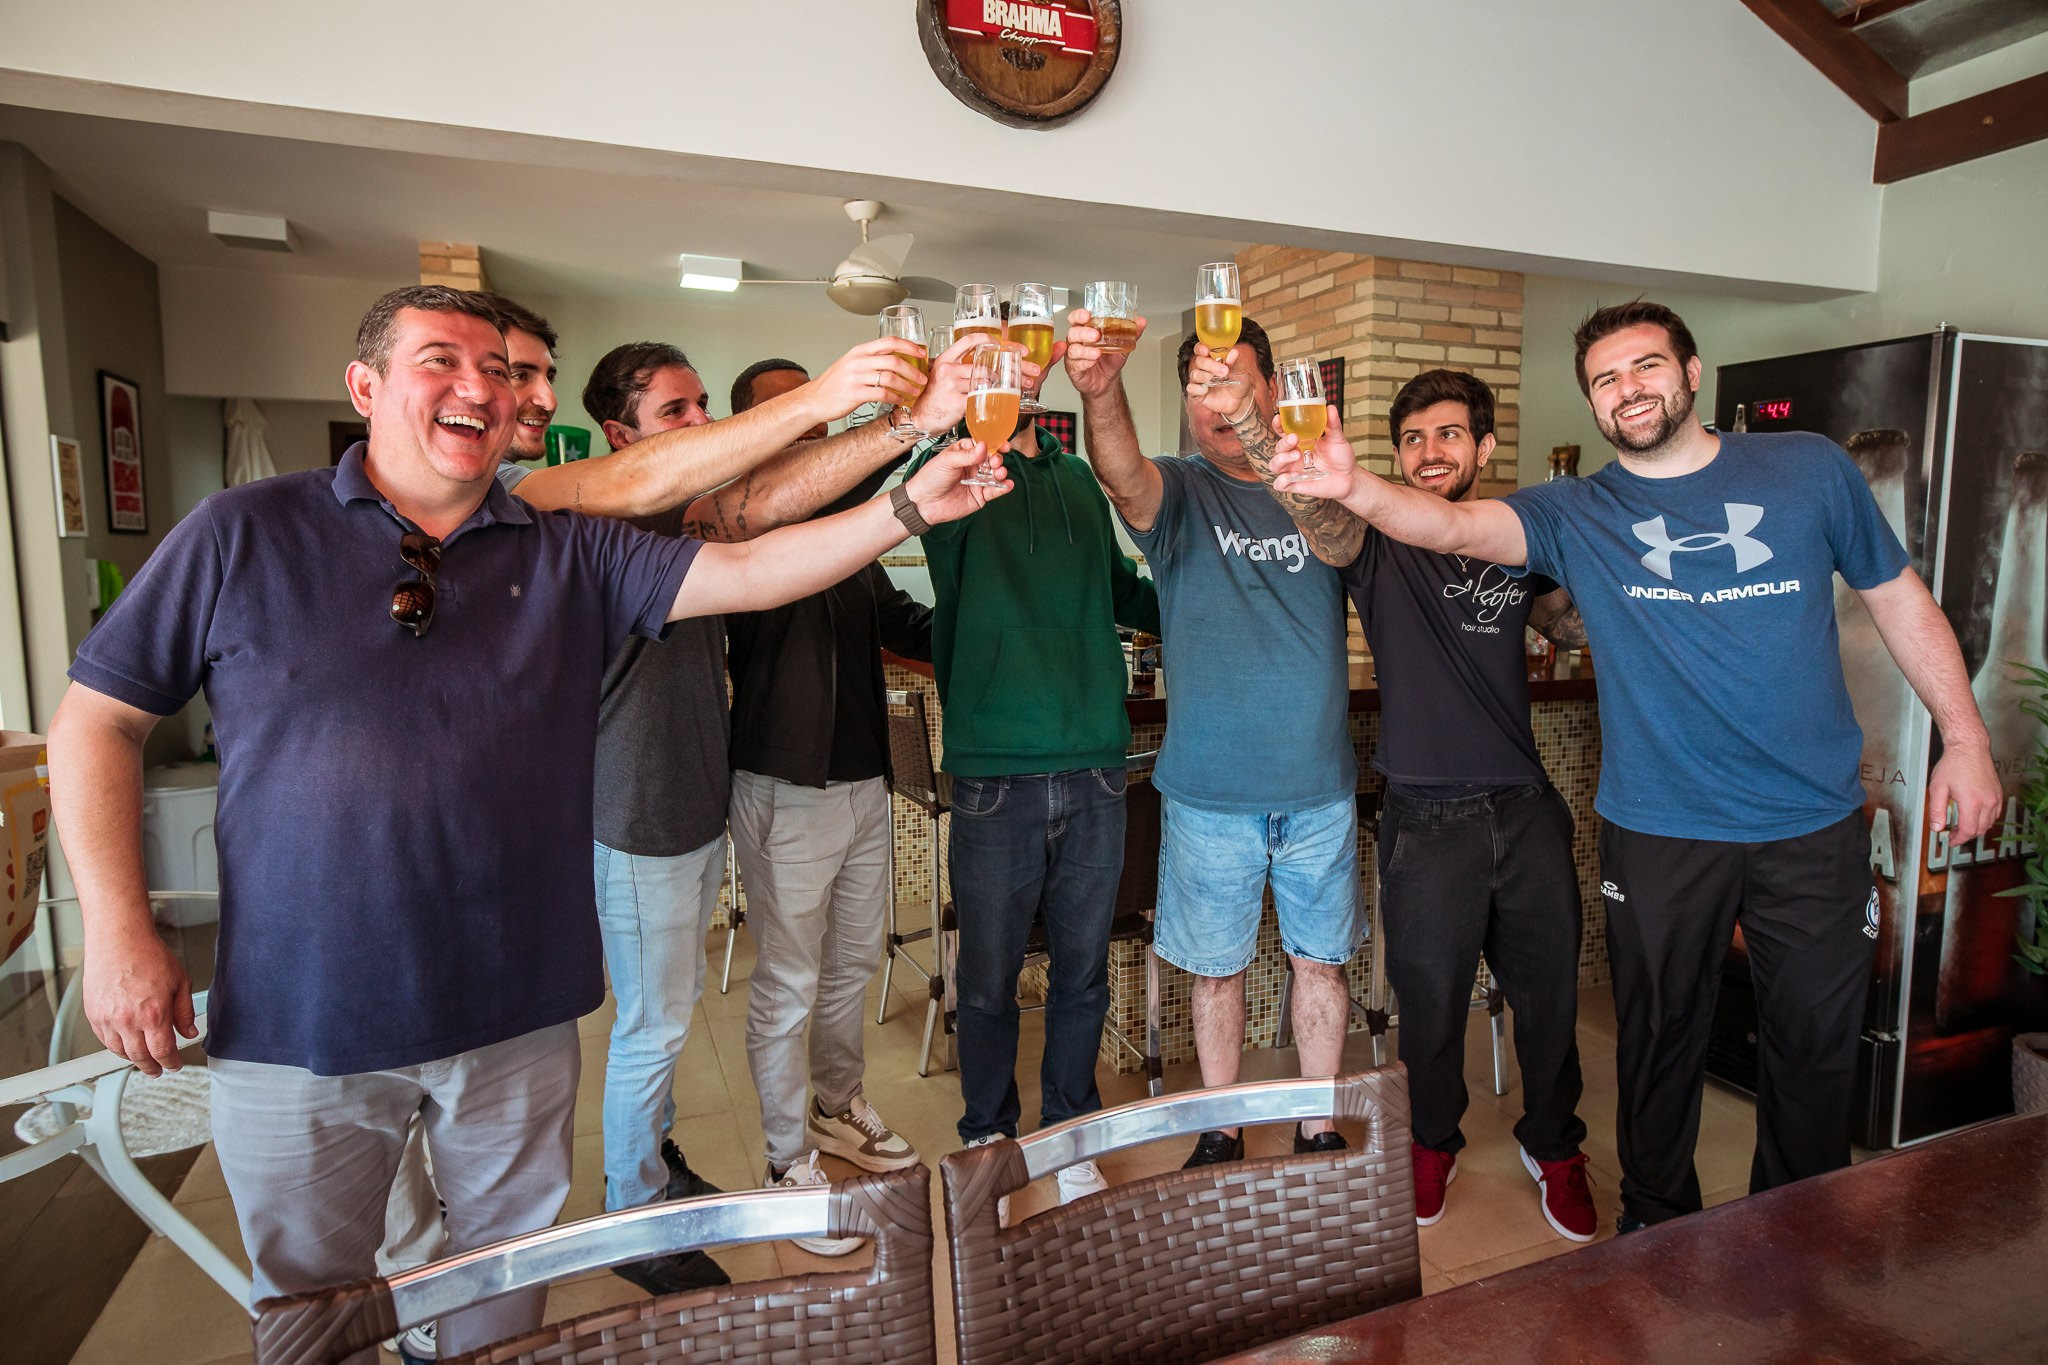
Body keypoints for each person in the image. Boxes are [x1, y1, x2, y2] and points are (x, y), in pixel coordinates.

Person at [47, 284, 1007, 1359]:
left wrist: (911, 506)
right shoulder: (243, 532)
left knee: (502, 1290)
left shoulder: (565, 546)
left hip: (513, 1012)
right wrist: (118, 932)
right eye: (439, 361)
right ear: (365, 386)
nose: (479, 386)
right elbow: (98, 720)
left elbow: (742, 570)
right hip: (299, 1015)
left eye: (498, 372)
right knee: (316, 1313)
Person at [1259, 298, 2003, 1232]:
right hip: (1658, 830)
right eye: (1607, 379)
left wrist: (1965, 740)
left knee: (1814, 1058)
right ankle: (1656, 1233)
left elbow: (1900, 599)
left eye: (1647, 366)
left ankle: (1800, 1238)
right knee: (1656, 1052)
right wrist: (1351, 482)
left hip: (1811, 824)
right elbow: (1446, 528)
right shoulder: (1578, 513)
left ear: (1693, 375)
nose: (1628, 389)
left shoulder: (1809, 468)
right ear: (1595, 405)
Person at [493, 333, 977, 1293]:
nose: (703, 425)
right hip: (637, 815)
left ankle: (657, 1162)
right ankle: (637, 1219)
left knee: (667, 1018)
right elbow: (747, 523)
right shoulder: (563, 513)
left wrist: (906, 456)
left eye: (703, 405)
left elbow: (754, 512)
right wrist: (883, 428)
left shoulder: (676, 522)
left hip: (691, 803)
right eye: (678, 412)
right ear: (620, 434)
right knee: (654, 1026)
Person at [1230, 364, 1597, 1240]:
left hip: (1525, 805)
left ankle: (1556, 1147)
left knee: (1549, 1001)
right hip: (1427, 816)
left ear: (1484, 446)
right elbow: (1307, 500)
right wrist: (1251, 414)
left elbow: (1573, 628)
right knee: (1427, 1007)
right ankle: (1431, 1144)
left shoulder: (1517, 537)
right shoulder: (1371, 538)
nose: (1429, 453)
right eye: (1413, 440)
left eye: (1447, 435)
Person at [1063, 310, 1361, 1167]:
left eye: (1229, 378)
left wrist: (1263, 433)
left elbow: (1344, 537)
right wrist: (1100, 389)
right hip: (1207, 795)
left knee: (1322, 968)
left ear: (1269, 386)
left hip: (1318, 789)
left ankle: (1317, 1122)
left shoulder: (1318, 479)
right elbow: (1121, 474)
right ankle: (1221, 1128)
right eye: (1198, 383)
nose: (1212, 399)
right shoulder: (1183, 491)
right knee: (1216, 972)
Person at [905, 377, 1158, 1204]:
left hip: (1094, 765)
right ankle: (987, 1130)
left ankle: (1069, 1128)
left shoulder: (1080, 476)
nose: (1014, 374)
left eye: (1025, 360)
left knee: (1084, 971)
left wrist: (1205, 599)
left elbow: (1124, 590)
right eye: (993, 360)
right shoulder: (945, 469)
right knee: (987, 977)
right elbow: (898, 505)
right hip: (993, 774)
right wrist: (946, 438)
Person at [723, 361, 932, 1255]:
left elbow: (902, 624)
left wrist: (995, 625)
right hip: (784, 786)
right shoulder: (735, 525)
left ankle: (837, 1106)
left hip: (860, 785)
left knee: (849, 965)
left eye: (821, 415)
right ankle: (781, 1162)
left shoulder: (845, 539)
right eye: (792, 416)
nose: (815, 430)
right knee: (789, 982)